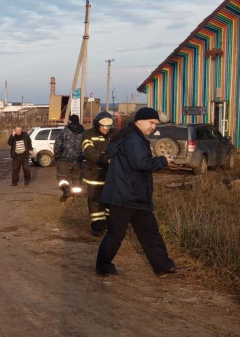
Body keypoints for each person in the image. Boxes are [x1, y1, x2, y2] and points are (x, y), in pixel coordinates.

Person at [95, 107, 180, 278]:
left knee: (149, 231)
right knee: (116, 234)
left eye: (155, 124)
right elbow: (141, 163)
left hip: (134, 195)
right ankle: (103, 266)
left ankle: (163, 266)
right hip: (125, 195)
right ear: (139, 121)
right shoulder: (133, 138)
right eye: (151, 123)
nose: (153, 127)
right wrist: (163, 160)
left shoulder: (131, 135)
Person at [81, 111, 116, 237]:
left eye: (108, 126)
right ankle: (97, 226)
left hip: (111, 174)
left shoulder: (115, 134)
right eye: (103, 126)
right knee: (95, 201)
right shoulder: (88, 134)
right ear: (97, 124)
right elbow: (87, 150)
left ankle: (109, 223)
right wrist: (105, 159)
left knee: (111, 201)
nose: (106, 129)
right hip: (94, 174)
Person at [54, 114, 85, 202]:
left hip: (64, 159)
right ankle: (77, 196)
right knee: (77, 178)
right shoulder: (84, 132)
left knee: (62, 177)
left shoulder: (64, 132)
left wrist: (56, 155)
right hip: (78, 160)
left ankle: (66, 191)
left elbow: (58, 145)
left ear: (70, 121)